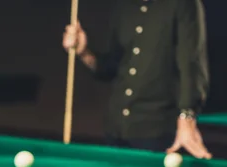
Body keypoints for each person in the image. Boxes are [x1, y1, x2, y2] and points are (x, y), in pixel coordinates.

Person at [62, 0, 212, 158]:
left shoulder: (183, 4)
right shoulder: (124, 6)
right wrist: (83, 52)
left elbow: (191, 63)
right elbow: (111, 67)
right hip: (116, 128)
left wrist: (187, 117)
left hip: (157, 132)